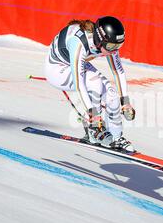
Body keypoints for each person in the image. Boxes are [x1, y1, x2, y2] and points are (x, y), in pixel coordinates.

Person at [44, 16, 136, 152]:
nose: (114, 50)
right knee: (94, 81)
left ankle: (117, 138)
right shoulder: (79, 43)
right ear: (100, 39)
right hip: (56, 70)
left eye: (119, 46)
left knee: (111, 93)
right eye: (111, 46)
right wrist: (92, 113)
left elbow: (118, 71)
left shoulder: (107, 44)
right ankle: (93, 130)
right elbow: (79, 82)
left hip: (72, 64)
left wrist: (125, 102)